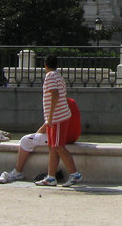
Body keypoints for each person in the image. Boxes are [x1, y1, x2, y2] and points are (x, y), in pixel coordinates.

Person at [0, 98, 81, 184]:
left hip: (63, 136)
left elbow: (48, 124)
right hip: (73, 136)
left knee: (26, 140)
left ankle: (18, 171)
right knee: (53, 146)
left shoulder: (57, 103)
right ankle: (51, 177)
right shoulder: (72, 102)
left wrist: (36, 135)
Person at [35, 55, 81, 187]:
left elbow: (55, 94)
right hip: (59, 116)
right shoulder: (58, 76)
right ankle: (51, 177)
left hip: (57, 118)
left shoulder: (50, 76)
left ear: (45, 65)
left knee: (58, 146)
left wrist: (49, 117)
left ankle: (75, 174)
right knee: (53, 147)